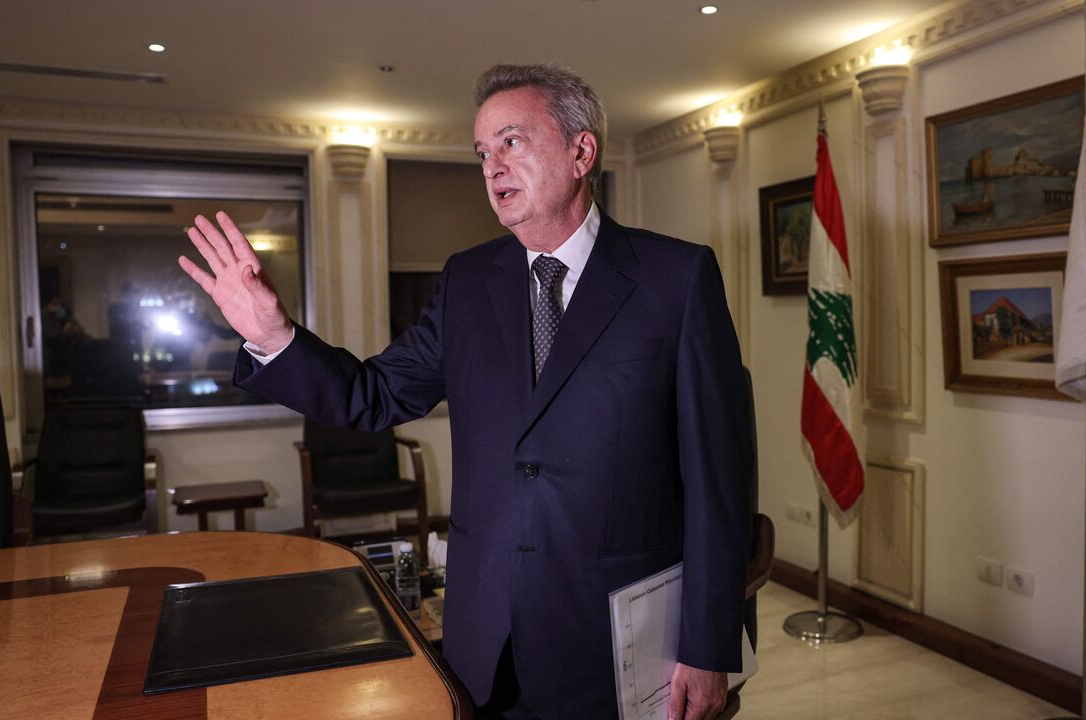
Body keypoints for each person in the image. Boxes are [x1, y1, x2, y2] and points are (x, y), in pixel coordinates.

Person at [179, 63, 751, 720]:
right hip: (487, 641)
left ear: (580, 151)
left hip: (618, 643)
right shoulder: (467, 282)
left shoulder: (675, 279)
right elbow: (372, 394)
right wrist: (275, 336)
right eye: (482, 152)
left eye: (511, 142)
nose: (492, 167)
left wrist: (709, 648)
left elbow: (719, 483)